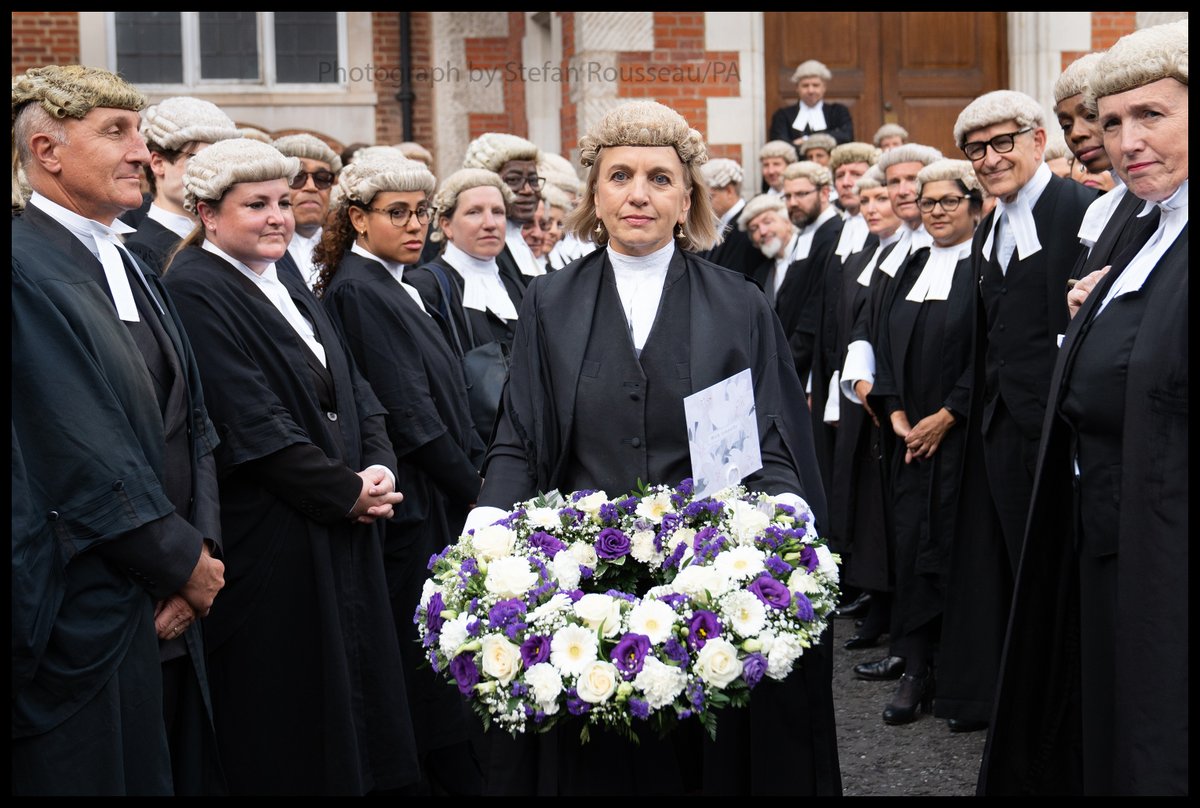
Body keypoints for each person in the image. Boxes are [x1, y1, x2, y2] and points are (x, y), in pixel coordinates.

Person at [466, 99, 840, 797]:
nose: (639, 193)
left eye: (660, 179)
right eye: (621, 176)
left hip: (708, 574)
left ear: (687, 198)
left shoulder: (739, 304)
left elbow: (770, 434)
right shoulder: (550, 302)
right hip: (586, 583)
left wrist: (788, 508)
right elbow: (521, 431)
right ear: (594, 195)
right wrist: (488, 516)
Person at [161, 137, 419, 795]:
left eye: (283, 201)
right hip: (276, 535)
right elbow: (251, 422)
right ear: (208, 214)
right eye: (257, 205)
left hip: (338, 522)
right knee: (294, 717)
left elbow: (356, 389)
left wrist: (381, 467)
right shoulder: (196, 286)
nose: (279, 216)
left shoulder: (283, 276)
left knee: (354, 707)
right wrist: (345, 492)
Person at [981, 20, 1188, 796]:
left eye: (1152, 116)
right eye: (1110, 122)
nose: (1127, 140)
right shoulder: (1136, 224)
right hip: (1106, 530)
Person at [12, 64, 226, 796]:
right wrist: (179, 562)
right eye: (117, 132)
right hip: (88, 609)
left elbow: (194, 421)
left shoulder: (132, 258)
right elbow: (75, 443)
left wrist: (203, 551)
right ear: (47, 151)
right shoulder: (22, 266)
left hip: (170, 603)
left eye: (140, 132)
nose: (143, 152)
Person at [314, 151, 486, 796]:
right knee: (425, 658)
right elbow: (410, 413)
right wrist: (478, 491)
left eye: (423, 213)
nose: (416, 226)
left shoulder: (396, 281)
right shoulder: (360, 288)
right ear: (357, 219)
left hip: (435, 491)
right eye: (398, 214)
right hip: (417, 500)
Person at [954, 90, 1097, 571]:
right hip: (1004, 431)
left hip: (1065, 432)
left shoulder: (1085, 210)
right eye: (977, 149)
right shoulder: (988, 227)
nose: (990, 159)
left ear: (1038, 141)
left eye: (1002, 143)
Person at [872, 160, 983, 726]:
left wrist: (948, 414)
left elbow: (991, 350)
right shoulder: (913, 262)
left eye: (949, 201)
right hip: (909, 440)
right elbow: (885, 344)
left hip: (964, 441)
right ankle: (916, 669)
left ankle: (964, 678)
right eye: (929, 201)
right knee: (912, 547)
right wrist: (892, 410)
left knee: (960, 553)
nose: (937, 211)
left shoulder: (986, 265)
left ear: (974, 204)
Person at [408, 168, 524, 443]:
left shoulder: (521, 285)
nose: (490, 223)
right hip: (467, 444)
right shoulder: (424, 287)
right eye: (474, 212)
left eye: (498, 212)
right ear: (446, 224)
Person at [1054, 51, 1156, 281]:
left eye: (1091, 115)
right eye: (1066, 125)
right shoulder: (1102, 208)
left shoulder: (1161, 196)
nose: (1076, 134)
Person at [125, 96, 240, 273]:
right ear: (158, 163)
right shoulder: (143, 254)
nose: (215, 173)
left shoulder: (229, 243)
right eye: (200, 160)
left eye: (224, 162)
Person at [461, 132, 545, 286]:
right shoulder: (482, 251)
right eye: (513, 180)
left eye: (533, 180)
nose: (528, 190)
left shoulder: (520, 244)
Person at [273, 133, 342, 290]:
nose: (311, 187)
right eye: (297, 177)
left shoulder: (347, 249)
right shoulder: (256, 252)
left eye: (322, 178)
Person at [695, 157, 761, 277]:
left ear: (729, 191)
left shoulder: (748, 225)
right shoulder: (718, 223)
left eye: (710, 197)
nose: (705, 205)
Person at [769, 59, 854, 146]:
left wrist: (806, 140)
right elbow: (780, 144)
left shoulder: (838, 112)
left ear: (824, 87)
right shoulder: (783, 116)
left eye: (815, 85)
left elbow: (846, 136)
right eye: (805, 85)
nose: (810, 91)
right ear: (797, 88)